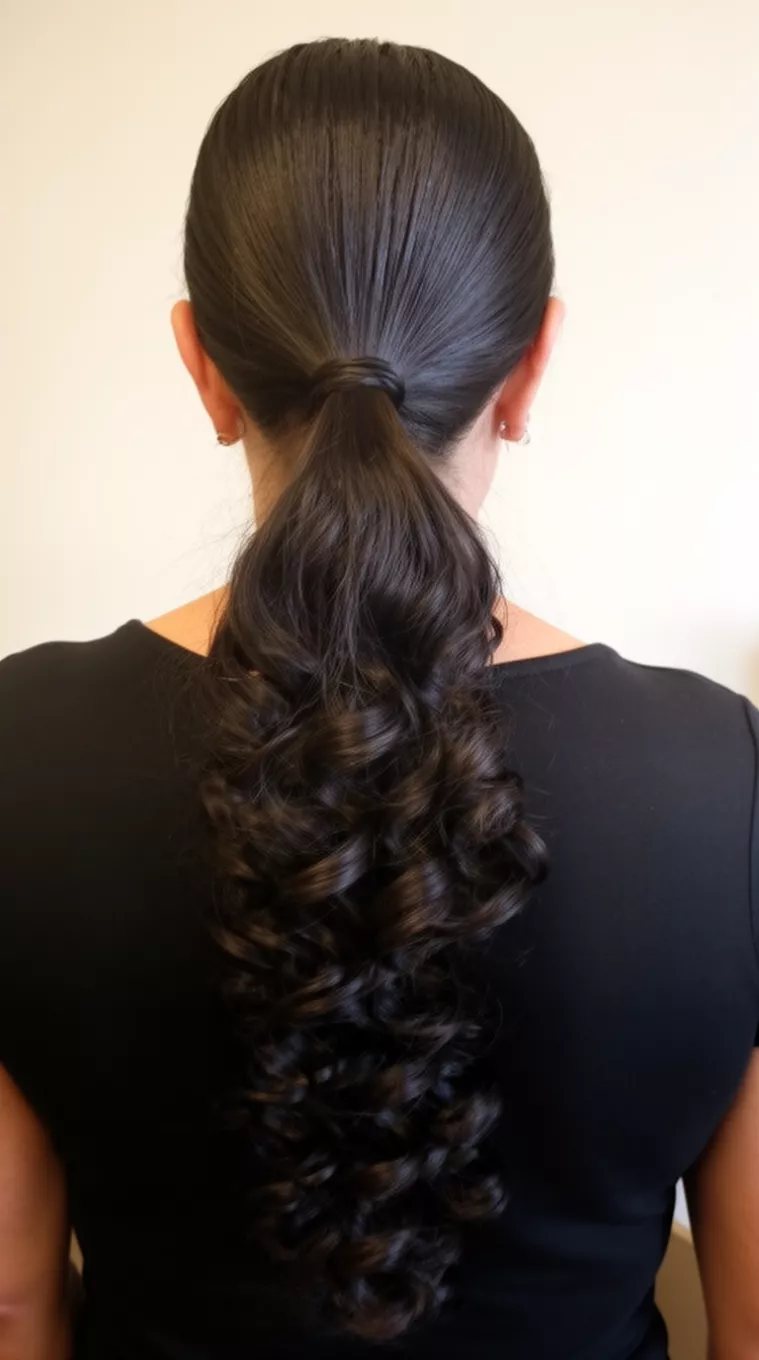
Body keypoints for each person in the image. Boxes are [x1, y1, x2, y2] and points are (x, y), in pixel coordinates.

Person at [0, 37, 757, 1360]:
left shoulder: (20, 750)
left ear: (206, 369)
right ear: (526, 370)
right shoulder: (724, 775)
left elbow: (10, 1298)